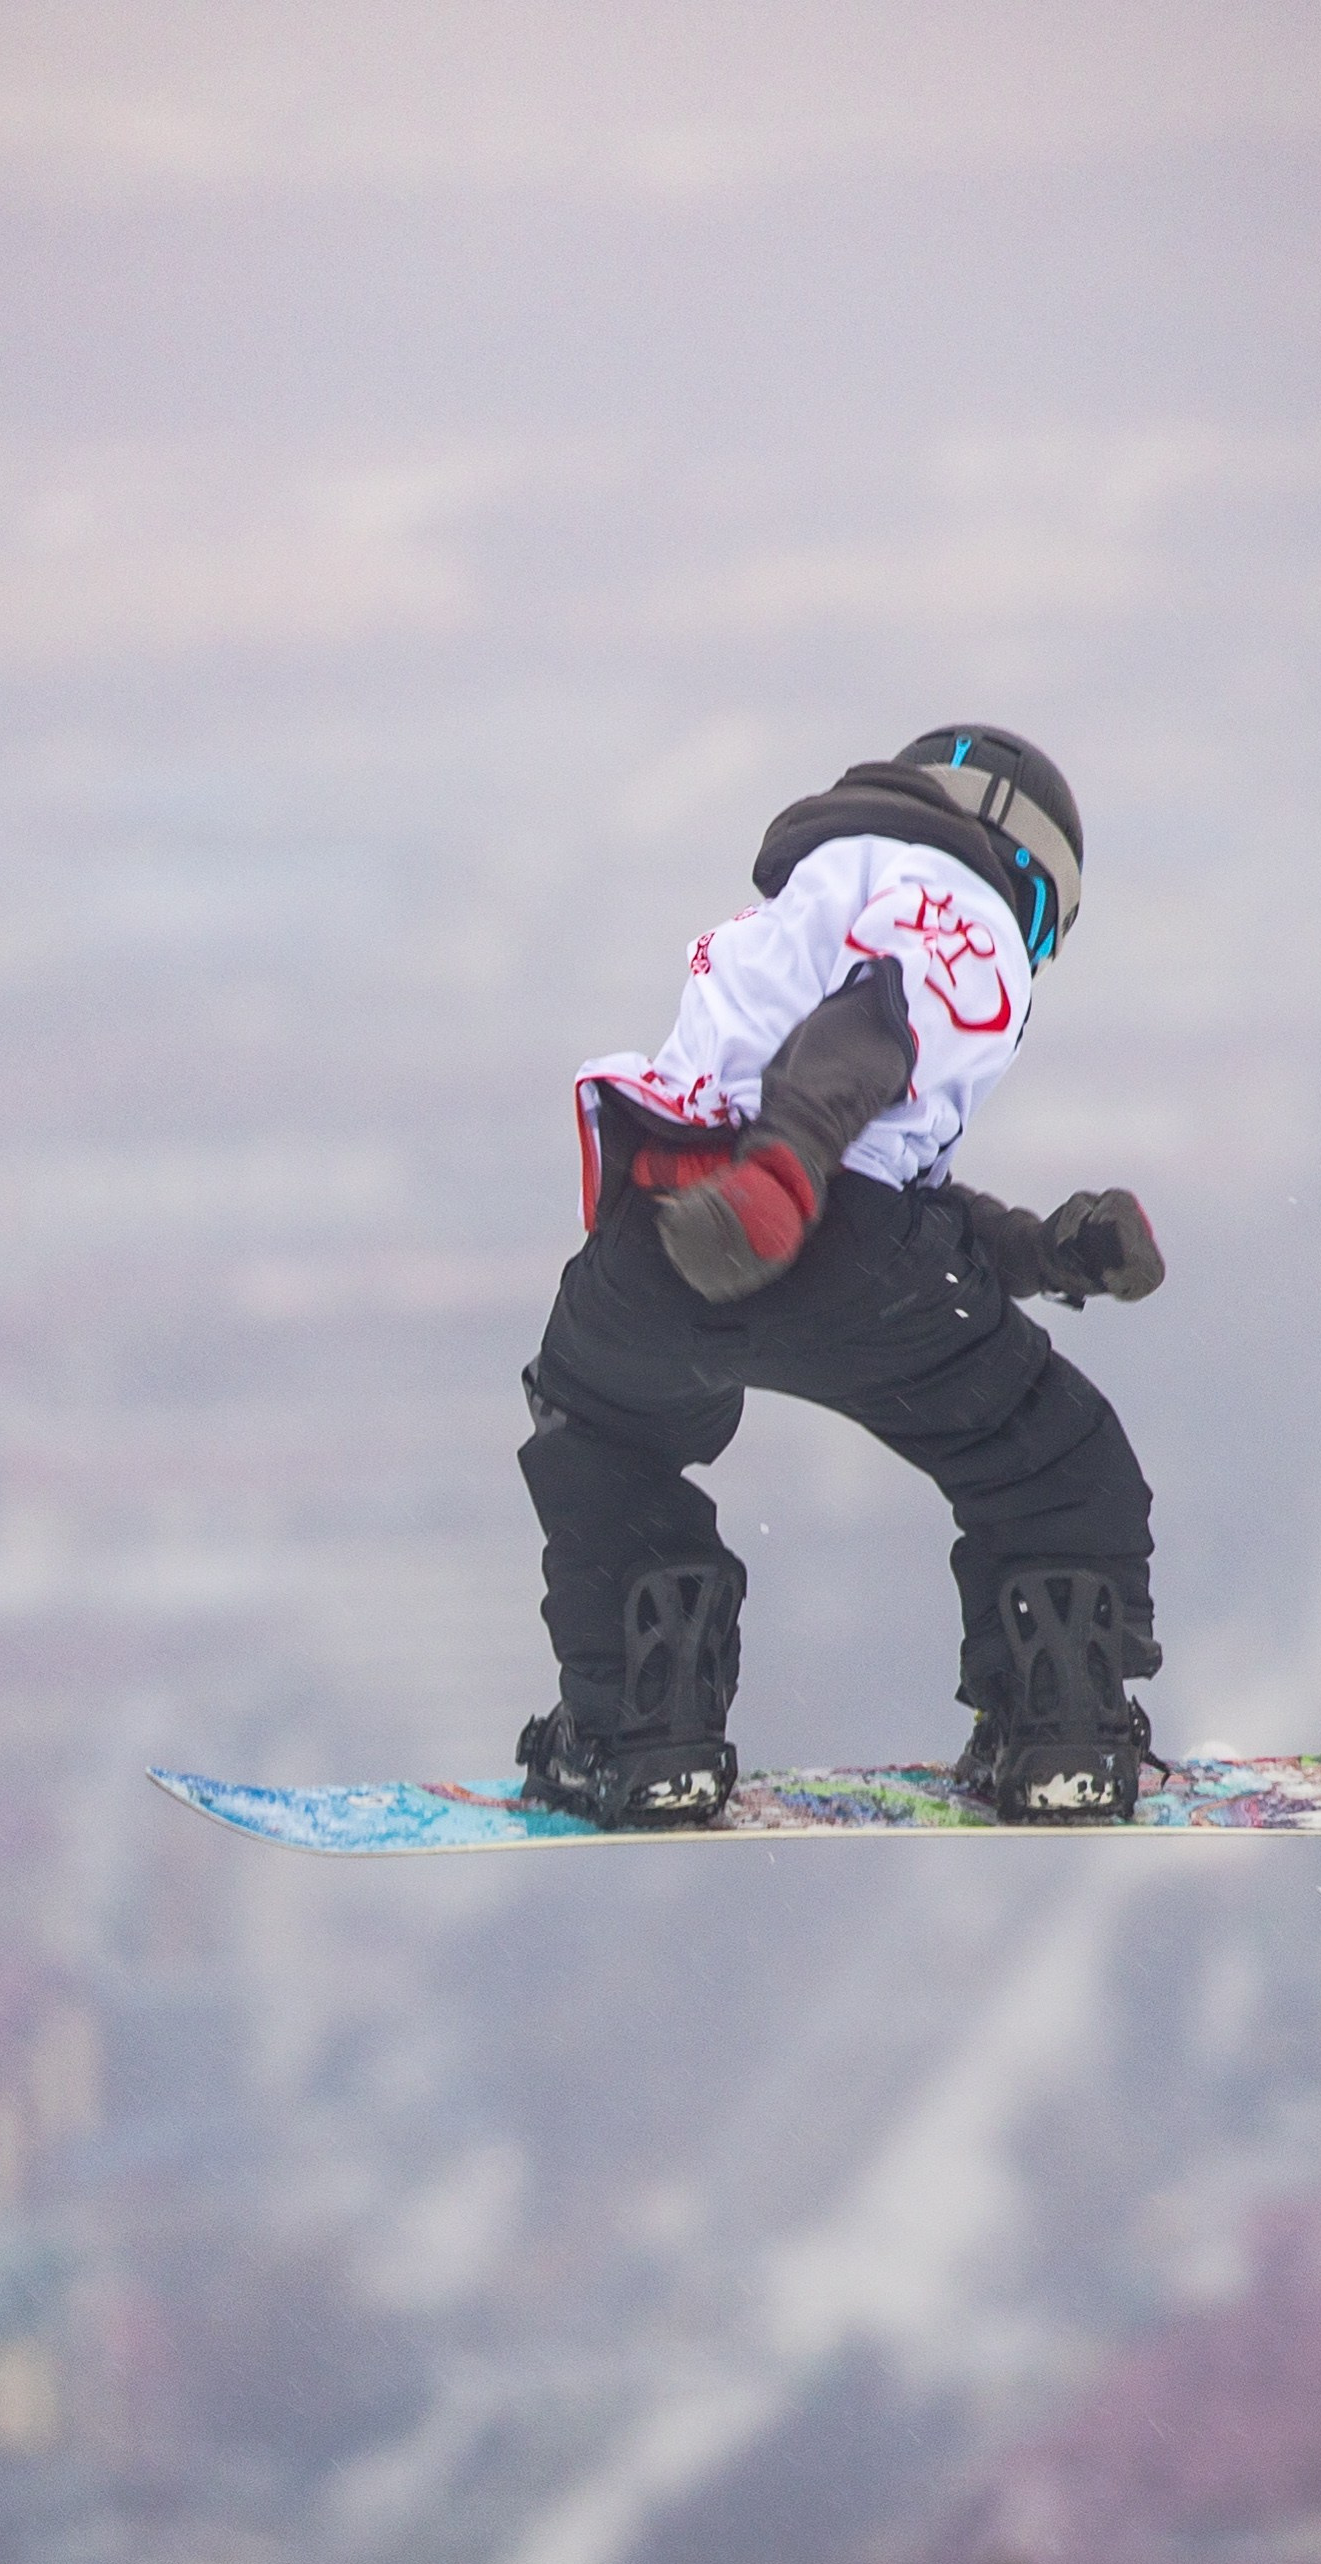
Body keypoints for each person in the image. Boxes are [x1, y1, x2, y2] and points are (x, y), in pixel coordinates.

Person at [514, 723, 1165, 1830]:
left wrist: (1043, 1255)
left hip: (666, 1235)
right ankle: (1057, 1736)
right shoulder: (955, 895)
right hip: (810, 1229)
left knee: (604, 1430)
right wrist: (784, 1175)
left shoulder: (825, 882)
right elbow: (866, 1037)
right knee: (1048, 1458)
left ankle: (644, 1737)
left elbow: (894, 1165)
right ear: (1033, 868)